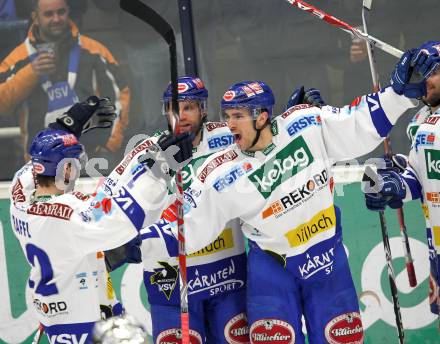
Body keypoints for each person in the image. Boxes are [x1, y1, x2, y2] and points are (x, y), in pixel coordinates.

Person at [140, 44, 439, 343]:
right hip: (271, 271)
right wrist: (136, 237)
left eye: (238, 115)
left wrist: (398, 95)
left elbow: (359, 121)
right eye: (227, 115)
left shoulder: (304, 123)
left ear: (262, 117)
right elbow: (190, 222)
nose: (229, 124)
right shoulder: (223, 172)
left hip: (327, 260)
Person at [9, 97, 185, 343]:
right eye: (74, 163)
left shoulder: (19, 199)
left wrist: (66, 127)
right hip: (83, 322)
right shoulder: (68, 213)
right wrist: (160, 169)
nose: (77, 170)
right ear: (65, 169)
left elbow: (34, 166)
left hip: (62, 316)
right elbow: (119, 219)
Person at [103, 76, 250, 343]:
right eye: (174, 108)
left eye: (188, 108)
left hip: (226, 275)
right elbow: (109, 197)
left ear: (203, 109)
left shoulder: (229, 137)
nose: (180, 116)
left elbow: (267, 141)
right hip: (170, 280)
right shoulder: (147, 152)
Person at [0, 0, 130, 161]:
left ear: (68, 11)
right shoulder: (18, 59)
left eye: (61, 12)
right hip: (40, 162)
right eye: (48, 14)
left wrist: (108, 144)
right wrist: (31, 73)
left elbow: (118, 97)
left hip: (90, 158)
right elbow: (2, 105)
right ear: (35, 17)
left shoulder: (94, 51)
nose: (56, 19)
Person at [365, 41, 440, 316]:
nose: (424, 80)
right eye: (423, 73)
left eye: (432, 72)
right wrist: (393, 185)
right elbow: (421, 178)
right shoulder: (422, 120)